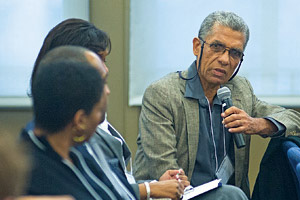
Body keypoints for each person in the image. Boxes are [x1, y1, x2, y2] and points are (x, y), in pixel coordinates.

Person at [133, 10, 300, 199]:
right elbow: (164, 170)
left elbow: (294, 120)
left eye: (235, 53)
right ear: (197, 46)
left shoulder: (239, 89)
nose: (224, 59)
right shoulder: (163, 93)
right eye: (217, 47)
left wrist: (258, 124)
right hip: (176, 194)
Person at [25, 18, 188, 199]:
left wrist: (153, 185)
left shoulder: (76, 147)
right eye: (97, 61)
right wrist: (150, 189)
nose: (106, 72)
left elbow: (113, 188)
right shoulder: (42, 162)